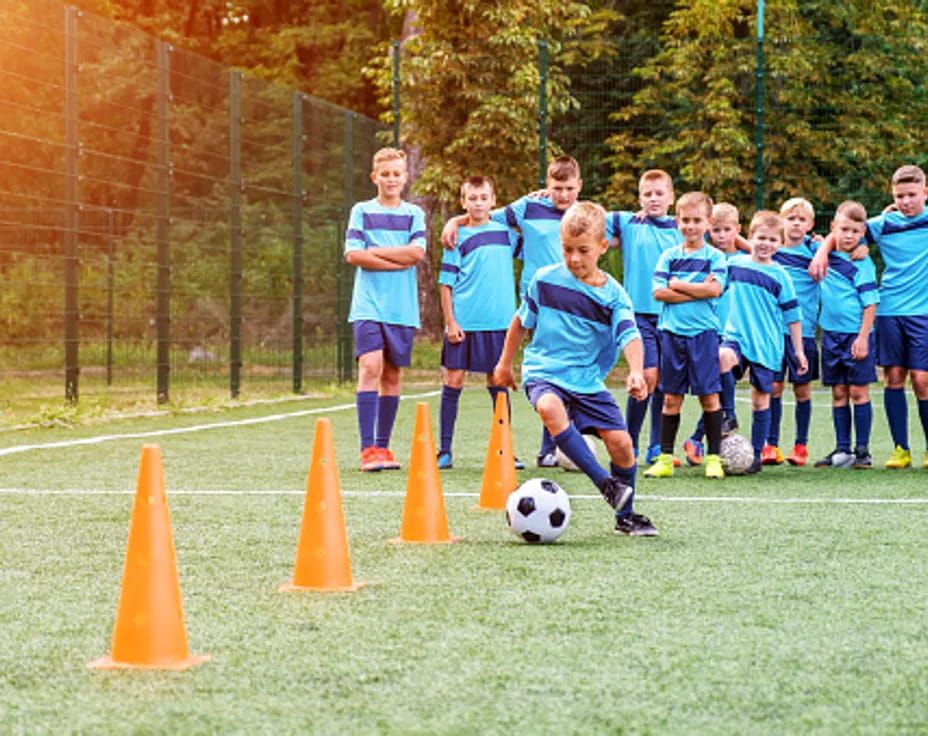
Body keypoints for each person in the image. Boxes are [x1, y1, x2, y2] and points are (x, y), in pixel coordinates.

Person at [493, 201, 658, 536]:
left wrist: (637, 370)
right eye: (567, 249)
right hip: (544, 371)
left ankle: (625, 518)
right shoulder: (544, 280)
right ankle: (605, 484)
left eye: (583, 250)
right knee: (549, 408)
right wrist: (504, 364)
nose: (574, 259)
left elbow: (630, 335)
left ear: (602, 247)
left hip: (586, 379)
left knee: (623, 445)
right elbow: (520, 322)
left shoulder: (614, 296)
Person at [442, 156, 583, 468]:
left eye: (569, 188)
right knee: (542, 371)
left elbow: (608, 238)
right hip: (536, 301)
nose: (563, 194)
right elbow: (480, 215)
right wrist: (453, 221)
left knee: (566, 372)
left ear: (579, 187)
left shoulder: (583, 214)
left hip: (574, 301)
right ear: (547, 186)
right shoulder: (526, 208)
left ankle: (554, 444)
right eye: (557, 187)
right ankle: (546, 450)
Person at [811, 164, 928, 469]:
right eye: (900, 195)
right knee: (893, 378)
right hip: (888, 309)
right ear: (892, 195)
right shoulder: (882, 224)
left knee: (922, 380)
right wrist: (823, 251)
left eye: (912, 195)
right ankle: (901, 449)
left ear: (925, 193)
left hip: (923, 312)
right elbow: (846, 230)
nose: (906, 201)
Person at [344, 147, 426, 472]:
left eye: (396, 174)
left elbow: (416, 254)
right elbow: (353, 255)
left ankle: (383, 448)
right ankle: (367, 450)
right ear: (374, 176)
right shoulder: (361, 211)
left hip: (401, 308)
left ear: (405, 177)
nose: (391, 179)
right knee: (370, 367)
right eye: (385, 174)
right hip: (367, 305)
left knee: (391, 376)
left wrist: (376, 252)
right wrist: (396, 258)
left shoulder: (414, 214)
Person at [436, 176, 521, 470]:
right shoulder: (455, 238)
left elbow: (539, 244)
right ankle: (444, 450)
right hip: (464, 323)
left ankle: (505, 449)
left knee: (497, 380)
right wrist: (450, 322)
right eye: (472, 198)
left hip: (500, 323)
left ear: (493, 201)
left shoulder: (506, 234)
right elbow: (446, 285)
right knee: (454, 380)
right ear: (464, 202)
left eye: (484, 197)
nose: (478, 203)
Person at [643, 192, 728, 479]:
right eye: (685, 220)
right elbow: (658, 293)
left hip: (703, 336)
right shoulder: (669, 255)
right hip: (671, 336)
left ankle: (713, 458)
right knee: (671, 399)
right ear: (677, 221)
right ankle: (665, 459)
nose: (690, 226)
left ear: (708, 223)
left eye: (697, 221)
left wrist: (677, 285)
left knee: (709, 397)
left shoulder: (715, 257)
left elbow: (714, 290)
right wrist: (696, 289)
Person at [719, 210, 808, 474]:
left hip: (767, 343)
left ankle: (755, 456)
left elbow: (793, 316)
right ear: (750, 237)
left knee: (761, 401)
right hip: (736, 335)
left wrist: (799, 351)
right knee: (721, 357)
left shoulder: (781, 275)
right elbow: (714, 288)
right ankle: (728, 414)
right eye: (760, 237)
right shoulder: (734, 265)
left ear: (779, 244)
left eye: (772, 239)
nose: (765, 243)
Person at [605, 169, 684, 466]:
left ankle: (658, 445)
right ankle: (630, 441)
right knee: (646, 377)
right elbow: (590, 217)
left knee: (665, 383)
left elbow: (720, 231)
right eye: (647, 194)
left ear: (671, 198)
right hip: (638, 314)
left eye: (659, 193)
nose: (653, 199)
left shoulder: (682, 227)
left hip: (674, 315)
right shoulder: (627, 222)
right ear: (639, 198)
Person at [813, 201, 879, 468]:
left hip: (855, 337)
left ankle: (862, 451)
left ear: (863, 232)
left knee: (858, 393)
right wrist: (821, 250)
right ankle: (842, 450)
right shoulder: (820, 252)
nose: (848, 235)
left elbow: (871, 304)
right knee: (838, 392)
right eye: (843, 229)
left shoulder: (862, 263)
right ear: (833, 228)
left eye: (854, 231)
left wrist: (863, 338)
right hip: (830, 336)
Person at [761, 197, 820, 467]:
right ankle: (770, 445)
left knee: (802, 390)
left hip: (803, 332)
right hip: (773, 333)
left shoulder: (816, 250)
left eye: (802, 219)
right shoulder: (771, 250)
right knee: (773, 387)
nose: (796, 224)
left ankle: (801, 446)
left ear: (810, 224)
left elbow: (848, 241)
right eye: (791, 218)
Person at [682, 202, 742, 466]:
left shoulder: (742, 259)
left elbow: (768, 255)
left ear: (737, 230)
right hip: (710, 329)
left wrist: (740, 240)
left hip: (739, 331)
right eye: (715, 229)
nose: (720, 235)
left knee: (722, 381)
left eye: (726, 230)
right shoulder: (705, 259)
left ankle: (697, 437)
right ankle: (712, 426)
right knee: (715, 384)